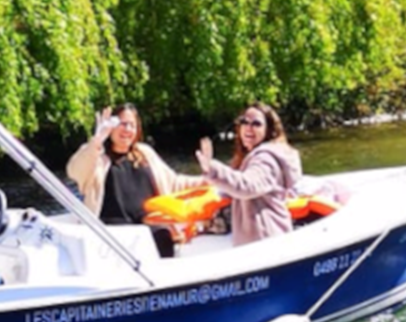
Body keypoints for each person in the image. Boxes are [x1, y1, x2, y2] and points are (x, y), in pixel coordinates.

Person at [66, 104, 191, 257]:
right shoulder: (96, 158)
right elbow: (74, 171)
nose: (127, 129)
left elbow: (175, 183)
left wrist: (213, 178)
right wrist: (96, 141)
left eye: (132, 125)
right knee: (137, 240)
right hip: (115, 231)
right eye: (122, 124)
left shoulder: (144, 153)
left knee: (163, 234)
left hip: (148, 224)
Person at [194, 103, 303, 247]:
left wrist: (212, 168)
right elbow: (235, 185)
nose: (248, 127)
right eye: (244, 122)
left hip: (267, 245)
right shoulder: (251, 157)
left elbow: (247, 186)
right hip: (261, 243)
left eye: (256, 124)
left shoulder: (266, 159)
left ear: (269, 130)